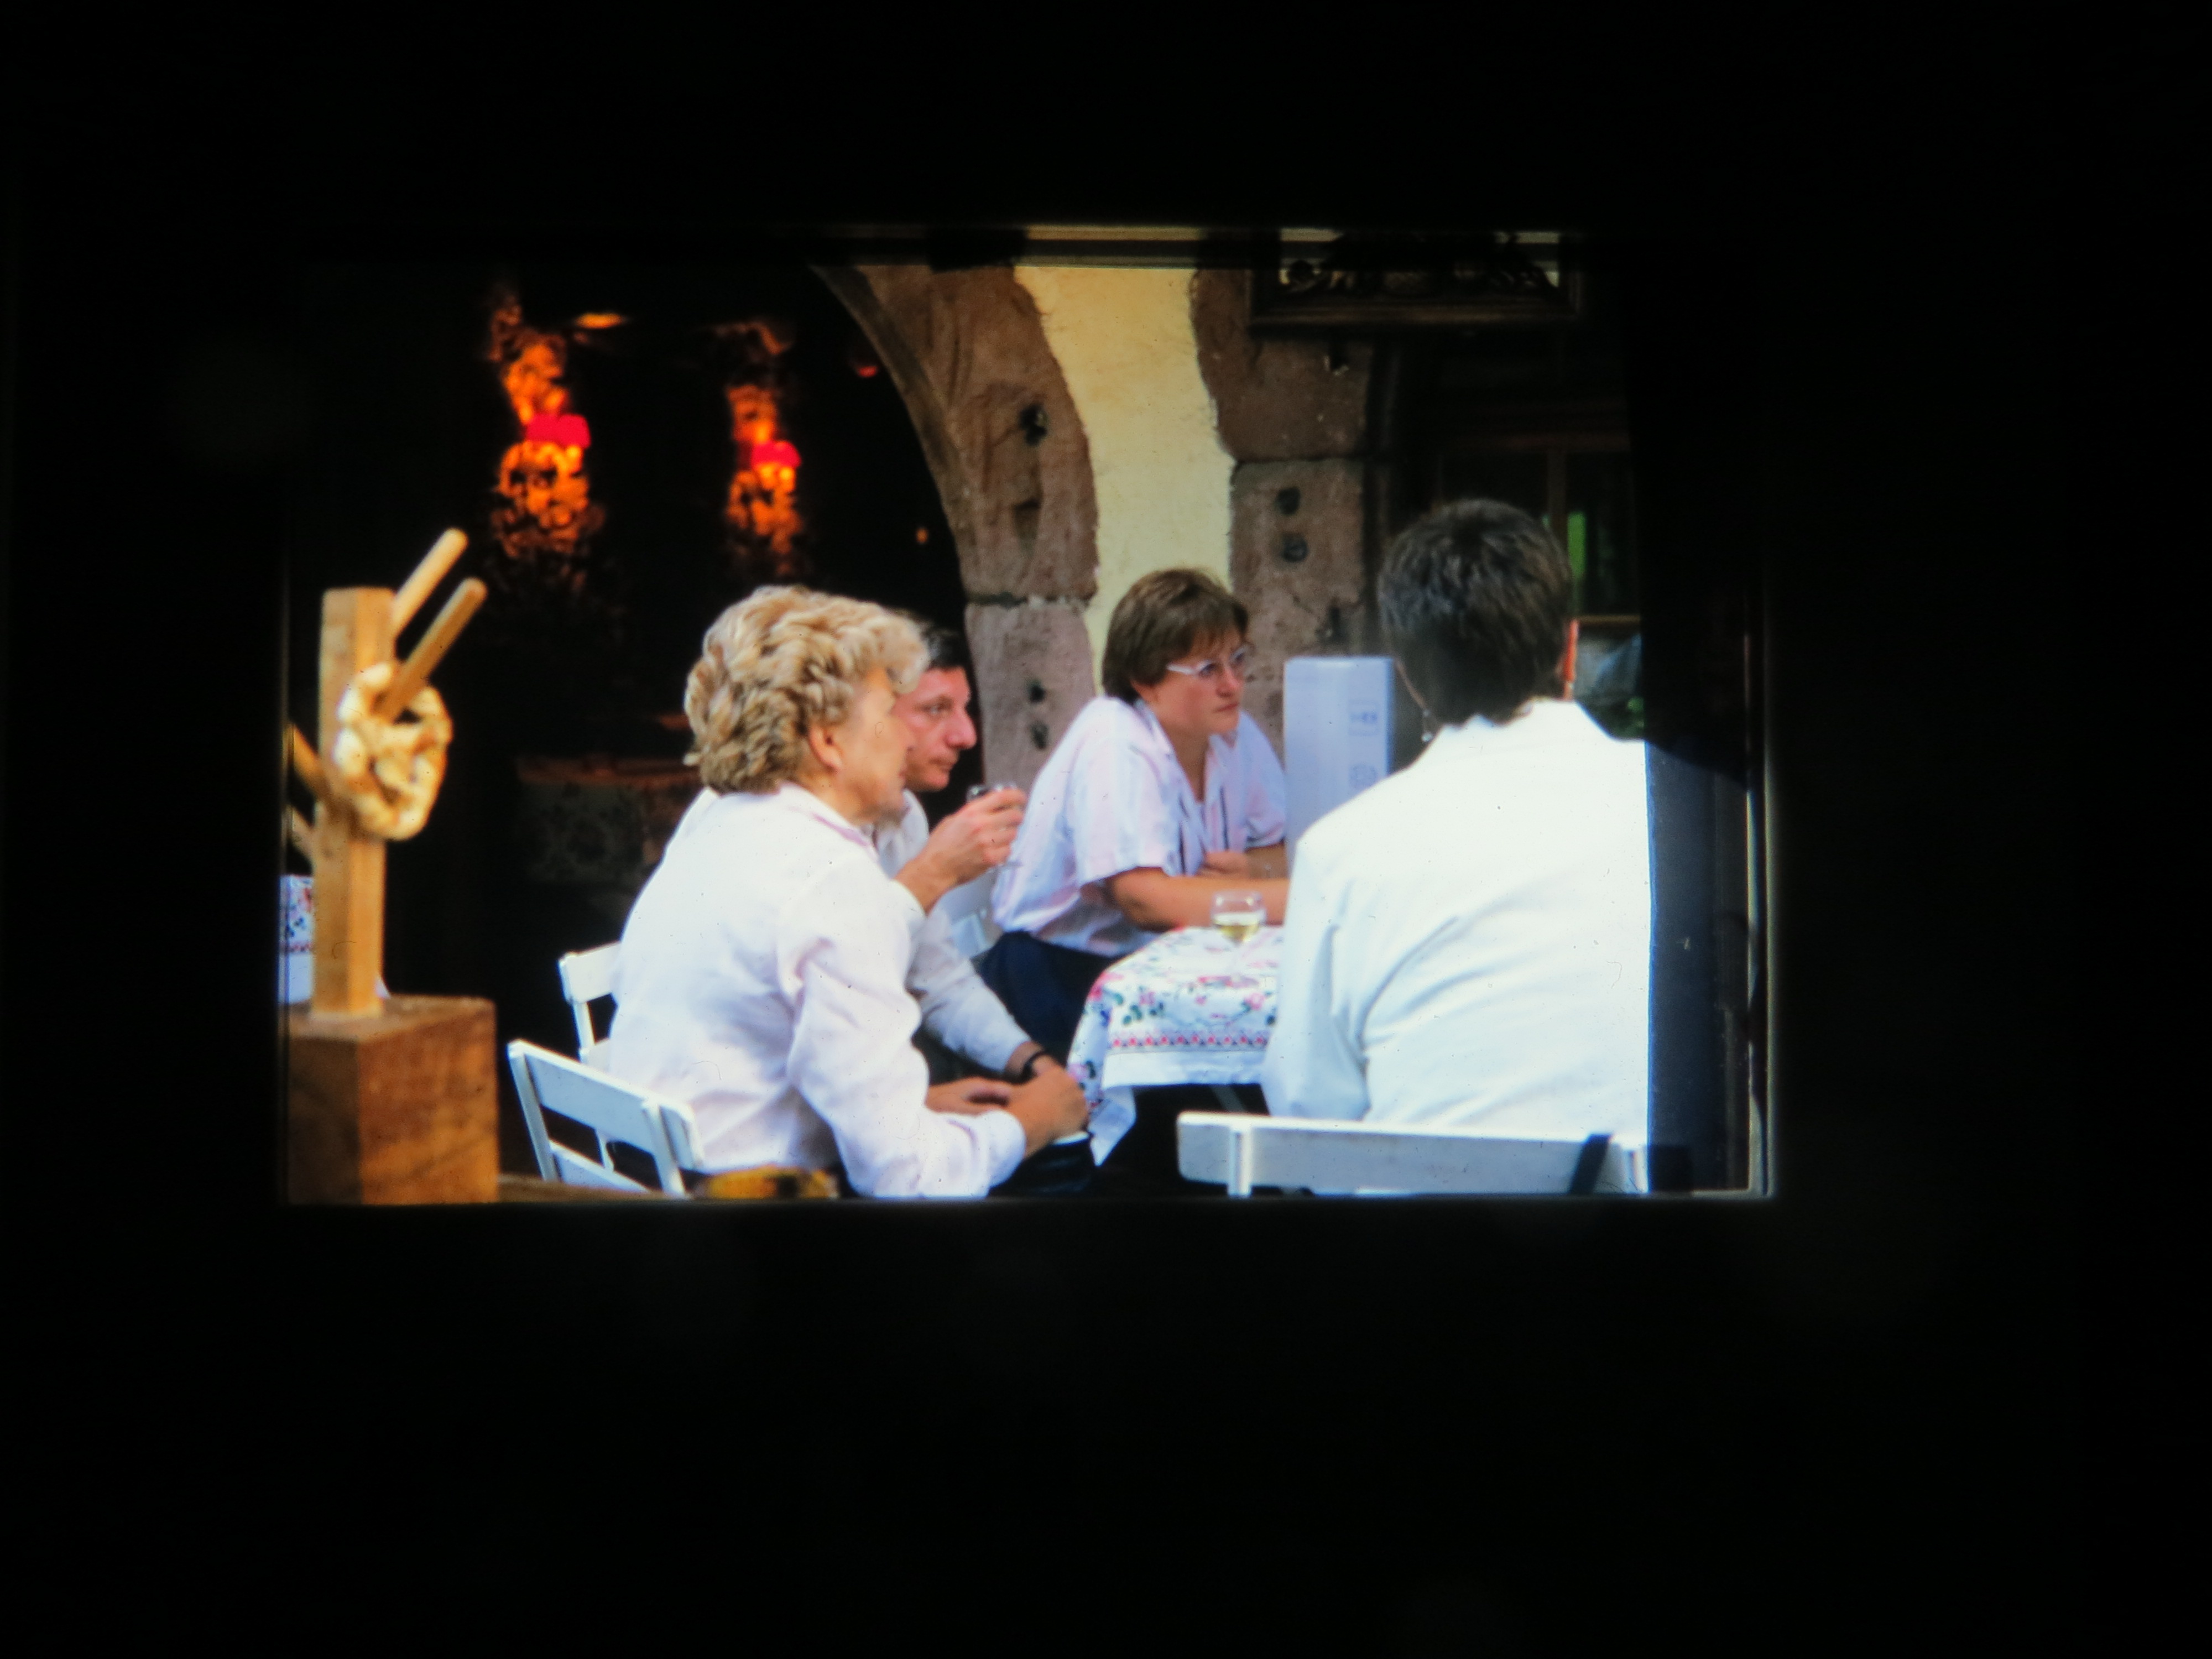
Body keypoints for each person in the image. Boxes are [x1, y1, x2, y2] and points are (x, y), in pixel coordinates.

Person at [604, 587, 1088, 1197]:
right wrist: (1034, 1120)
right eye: (889, 710)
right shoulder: (834, 878)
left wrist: (916, 1106)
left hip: (657, 1176)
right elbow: (908, 1179)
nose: (907, 740)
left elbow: (757, 1047)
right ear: (828, 741)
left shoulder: (724, 816)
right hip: (749, 1206)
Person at [1260, 499, 1651, 1152]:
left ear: (1409, 676)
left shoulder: (1340, 849)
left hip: (1427, 1207)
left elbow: (1307, 1101)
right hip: (1660, 1206)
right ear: (1571, 649)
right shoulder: (1688, 804)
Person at [981, 567, 1290, 1065]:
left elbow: (1276, 849)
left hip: (1164, 965)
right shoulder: (1116, 741)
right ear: (1146, 682)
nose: (1233, 684)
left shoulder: (1235, 734)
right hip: (1060, 977)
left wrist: (1256, 870)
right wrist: (1295, 899)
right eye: (1207, 670)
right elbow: (1143, 899)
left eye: (1238, 659)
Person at [865, 618, 1053, 1088]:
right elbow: (838, 978)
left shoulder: (906, 813)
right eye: (936, 710)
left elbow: (939, 980)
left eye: (965, 709)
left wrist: (1035, 1066)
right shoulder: (802, 829)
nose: (966, 736)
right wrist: (936, 871)